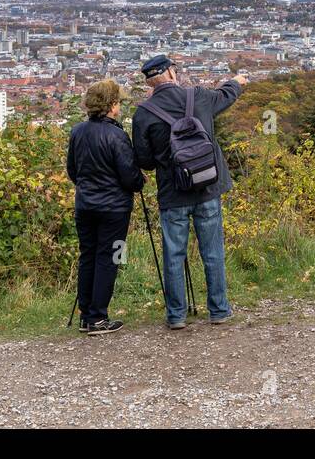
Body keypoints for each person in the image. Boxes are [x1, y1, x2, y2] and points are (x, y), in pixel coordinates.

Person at [132, 55, 248, 329]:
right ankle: (219, 310)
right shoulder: (197, 96)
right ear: (172, 73)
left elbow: (145, 161)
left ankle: (176, 315)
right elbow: (225, 96)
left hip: (173, 195)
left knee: (174, 254)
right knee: (212, 251)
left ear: (150, 82)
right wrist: (237, 82)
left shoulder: (144, 114)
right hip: (208, 187)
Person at [66, 79, 145, 336]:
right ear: (111, 106)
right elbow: (130, 179)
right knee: (110, 258)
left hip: (85, 206)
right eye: (118, 102)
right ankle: (98, 317)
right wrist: (139, 178)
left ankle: (86, 316)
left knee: (87, 256)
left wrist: (89, 186)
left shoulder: (77, 132)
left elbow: (72, 171)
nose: (119, 107)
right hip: (114, 209)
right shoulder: (117, 135)